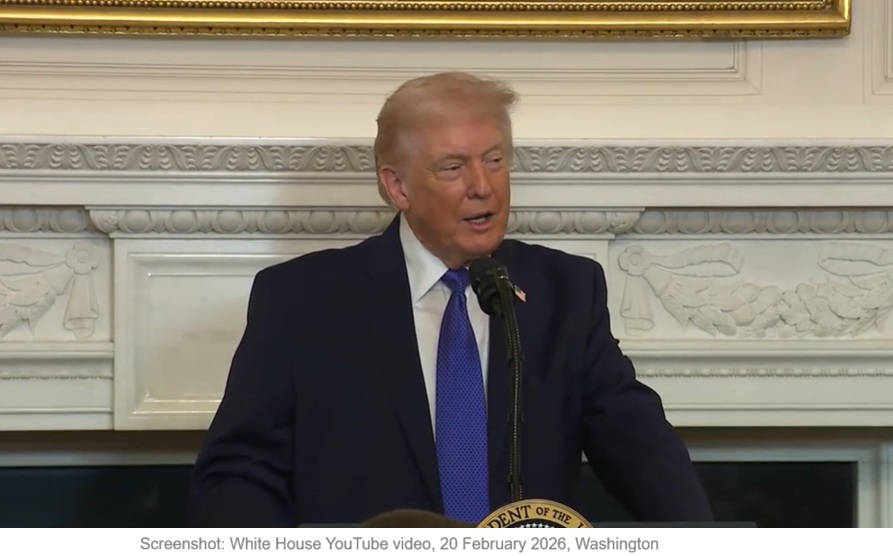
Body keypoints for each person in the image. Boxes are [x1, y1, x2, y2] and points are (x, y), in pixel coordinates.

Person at [189, 71, 714, 527]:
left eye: (495, 160)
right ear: (397, 187)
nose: (483, 186)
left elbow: (638, 443)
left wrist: (704, 543)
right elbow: (240, 470)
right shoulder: (304, 300)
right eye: (453, 168)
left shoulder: (566, 291)